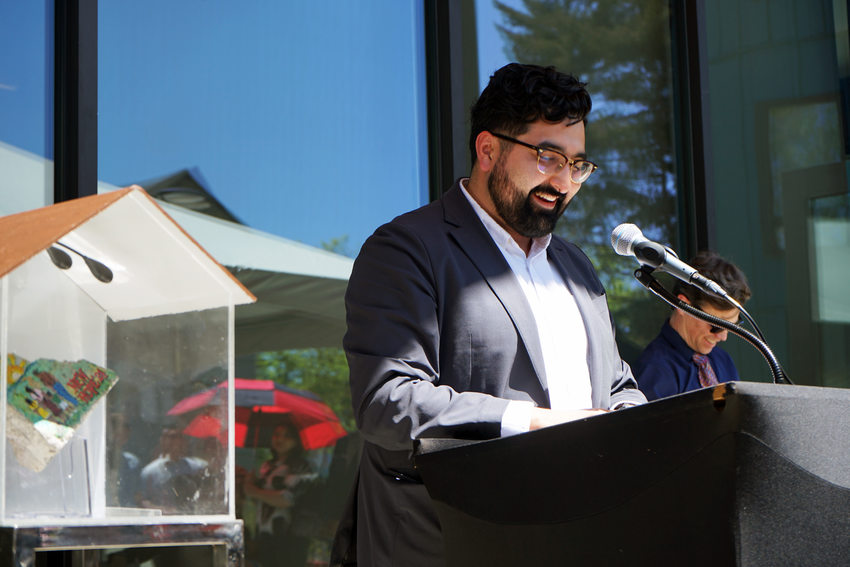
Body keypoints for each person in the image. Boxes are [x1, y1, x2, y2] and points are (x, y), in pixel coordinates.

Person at [331, 62, 646, 567]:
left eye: (578, 165)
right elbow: (387, 400)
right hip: (445, 544)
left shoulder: (578, 269)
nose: (563, 181)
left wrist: (637, 426)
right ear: (487, 150)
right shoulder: (407, 249)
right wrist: (537, 423)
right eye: (548, 157)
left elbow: (616, 387)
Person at [634, 250, 752, 400]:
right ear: (683, 306)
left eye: (732, 326)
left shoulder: (723, 361)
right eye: (717, 325)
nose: (723, 337)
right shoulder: (656, 370)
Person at [243, 422, 316, 567]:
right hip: (264, 535)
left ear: (296, 440)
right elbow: (258, 501)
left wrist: (255, 492)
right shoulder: (267, 466)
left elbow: (288, 499)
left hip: (289, 538)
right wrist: (251, 484)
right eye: (276, 435)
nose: (280, 439)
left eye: (287, 436)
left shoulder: (302, 466)